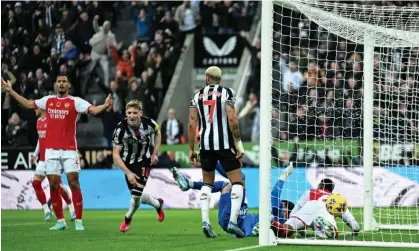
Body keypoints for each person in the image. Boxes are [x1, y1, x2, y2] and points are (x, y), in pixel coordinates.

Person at [2, 74, 112, 231]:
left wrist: (104, 105)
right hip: (51, 151)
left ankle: (79, 221)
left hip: (70, 151)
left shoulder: (75, 102)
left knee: (74, 183)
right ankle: (61, 221)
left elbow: (93, 110)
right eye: (58, 81)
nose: (61, 84)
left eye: (64, 82)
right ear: (55, 85)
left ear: (68, 85)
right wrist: (11, 91)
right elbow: (27, 104)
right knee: (53, 185)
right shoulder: (47, 101)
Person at [188, 66, 245, 238]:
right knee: (237, 182)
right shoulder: (227, 92)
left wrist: (191, 149)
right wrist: (239, 143)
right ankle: (233, 222)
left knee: (207, 183)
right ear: (220, 79)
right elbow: (232, 118)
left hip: (205, 146)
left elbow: (192, 123)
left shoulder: (196, 96)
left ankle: (205, 221)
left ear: (206, 78)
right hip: (225, 144)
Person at [171, 162, 295, 237]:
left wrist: (284, 176)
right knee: (226, 186)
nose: (281, 205)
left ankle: (209, 165)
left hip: (237, 218)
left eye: (284, 205)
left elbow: (274, 194)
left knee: (239, 179)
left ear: (287, 211)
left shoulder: (280, 217)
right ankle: (190, 183)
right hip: (232, 219)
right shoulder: (278, 219)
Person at [112, 100, 165, 232]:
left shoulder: (149, 124)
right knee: (136, 198)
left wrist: (155, 153)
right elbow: (115, 155)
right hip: (128, 164)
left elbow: (158, 133)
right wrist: (128, 173)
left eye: (135, 112)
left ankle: (127, 218)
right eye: (129, 113)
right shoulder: (120, 129)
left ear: (140, 113)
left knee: (136, 196)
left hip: (144, 161)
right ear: (125, 113)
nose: (132, 116)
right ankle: (157, 204)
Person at [30, 109, 75, 222]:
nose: (34, 109)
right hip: (42, 160)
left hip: (54, 159)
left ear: (42, 108)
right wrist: (35, 154)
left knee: (57, 187)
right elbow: (40, 140)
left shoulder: (52, 121)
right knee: (36, 183)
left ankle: (71, 208)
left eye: (36, 107)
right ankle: (46, 210)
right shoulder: (38, 121)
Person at [287, 178, 360, 236]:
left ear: (320, 186)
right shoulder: (337, 199)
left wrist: (300, 230)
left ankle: (283, 229)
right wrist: (355, 232)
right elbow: (355, 225)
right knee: (330, 230)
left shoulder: (310, 192)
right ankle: (329, 228)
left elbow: (293, 213)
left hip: (309, 212)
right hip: (326, 216)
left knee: (294, 222)